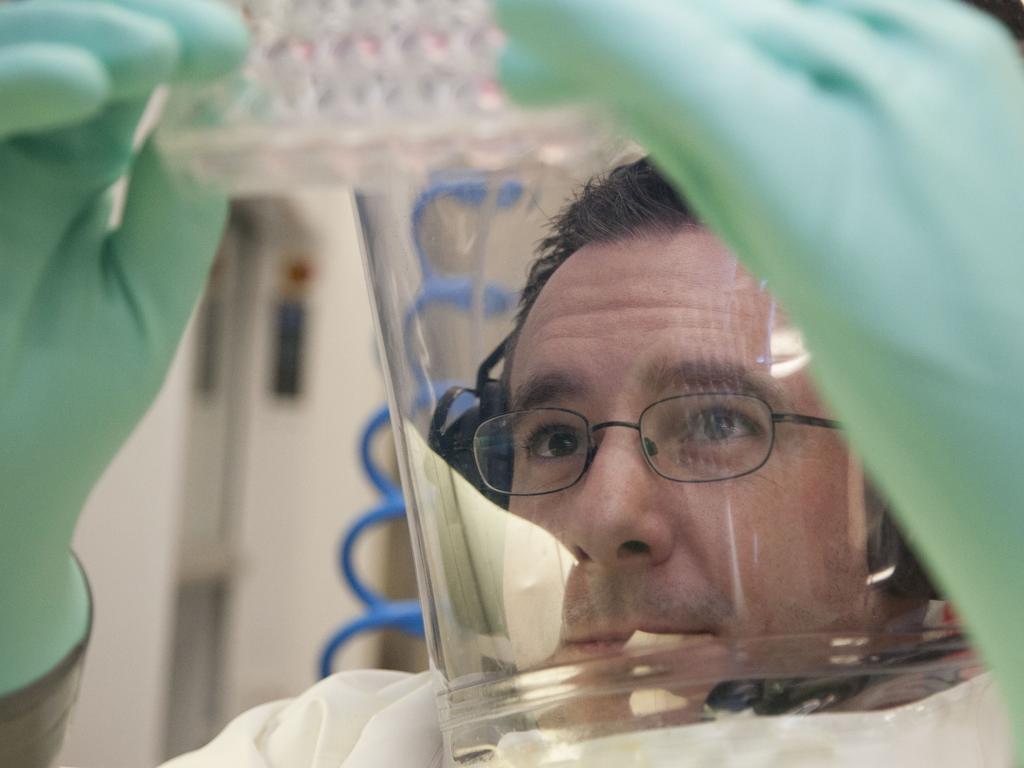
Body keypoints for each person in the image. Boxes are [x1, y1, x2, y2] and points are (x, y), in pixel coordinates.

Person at [2, 0, 1023, 765]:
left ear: (911, 495)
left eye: (717, 418)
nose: (599, 513)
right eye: (554, 437)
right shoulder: (353, 748)